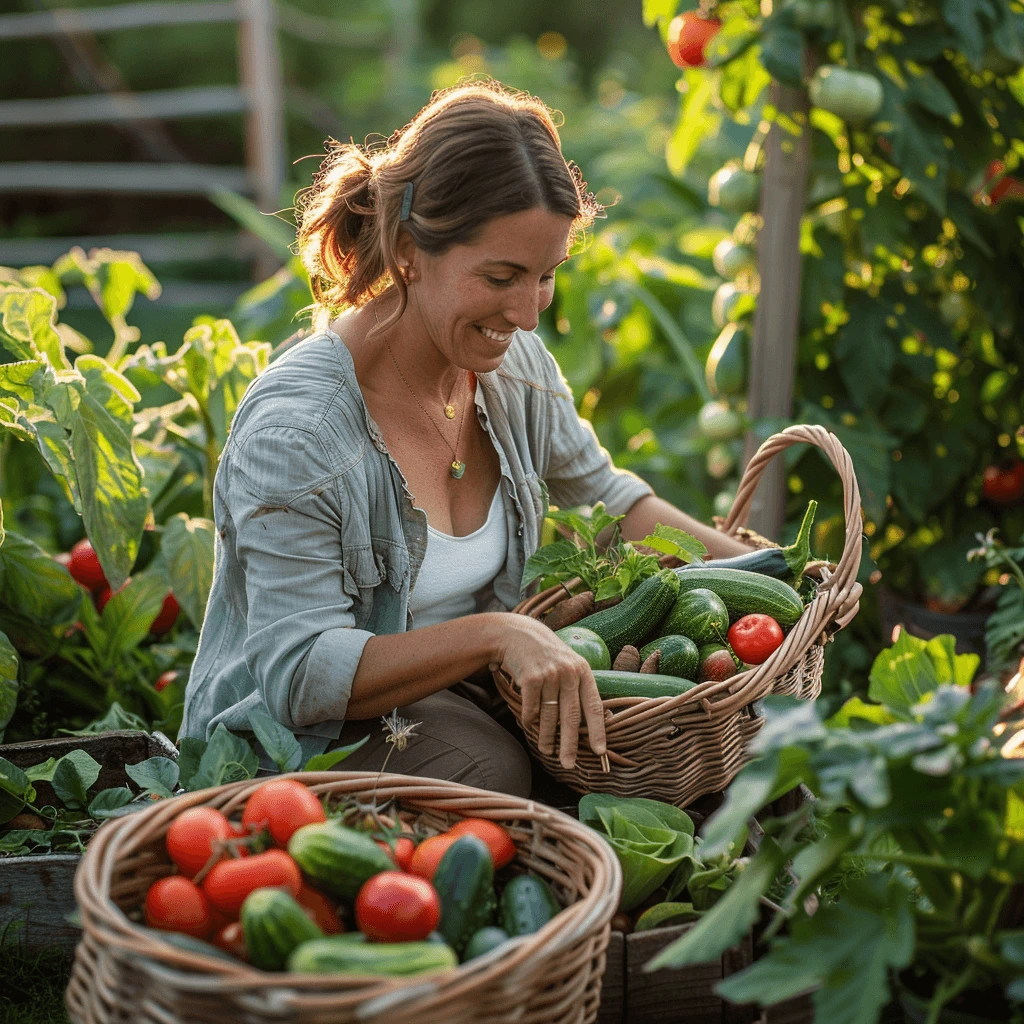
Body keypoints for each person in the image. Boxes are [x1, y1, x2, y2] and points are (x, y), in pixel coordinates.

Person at [179, 81, 790, 796]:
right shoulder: (299, 434)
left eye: (546, 277)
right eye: (501, 277)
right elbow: (301, 674)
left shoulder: (511, 368)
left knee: (693, 756)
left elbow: (607, 499)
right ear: (409, 250)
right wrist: (498, 635)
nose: (529, 314)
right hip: (295, 743)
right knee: (496, 775)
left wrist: (776, 576)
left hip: (465, 691)